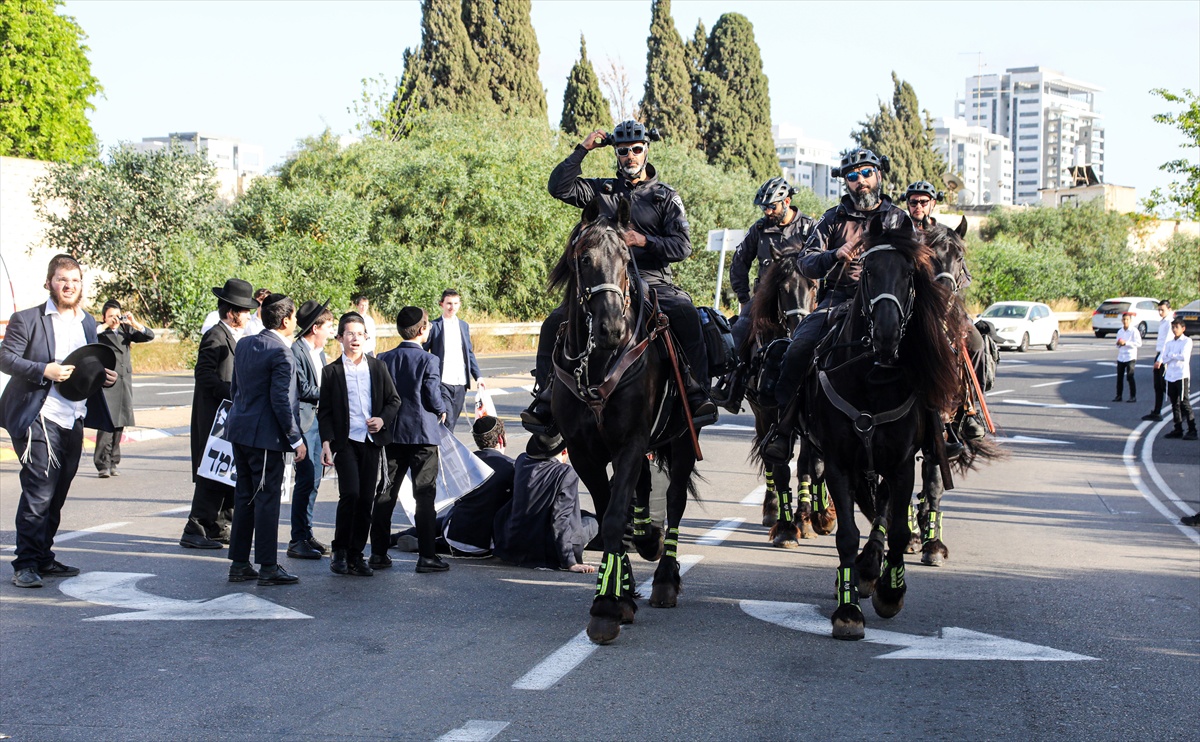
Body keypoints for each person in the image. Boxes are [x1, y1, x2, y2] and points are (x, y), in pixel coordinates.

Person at [522, 119, 718, 438]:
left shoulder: (665, 196)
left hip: (652, 278)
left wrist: (644, 241)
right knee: (553, 323)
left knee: (685, 312)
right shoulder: (600, 191)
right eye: (623, 150)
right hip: (604, 279)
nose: (630, 156)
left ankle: (696, 393)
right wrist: (582, 149)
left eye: (636, 150)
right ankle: (546, 398)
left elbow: (683, 246)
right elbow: (558, 187)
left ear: (646, 151)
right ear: (616, 153)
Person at [760, 148, 912, 464]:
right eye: (852, 176)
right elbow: (806, 263)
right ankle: (784, 429)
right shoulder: (832, 218)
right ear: (846, 183)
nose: (861, 181)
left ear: (879, 175)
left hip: (891, 302)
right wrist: (834, 255)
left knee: (932, 346)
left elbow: (918, 261)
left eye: (866, 173)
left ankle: (944, 429)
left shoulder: (898, 217)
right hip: (840, 300)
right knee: (798, 348)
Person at [0, 254, 118, 588]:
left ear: (81, 285)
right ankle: (25, 564)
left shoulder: (87, 322)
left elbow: (86, 367)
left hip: (74, 416)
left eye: (75, 280)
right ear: (50, 282)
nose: (69, 286)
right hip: (40, 415)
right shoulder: (27, 319)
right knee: (39, 491)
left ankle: (43, 557)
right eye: (62, 280)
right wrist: (43, 370)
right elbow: (5, 358)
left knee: (58, 493)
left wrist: (103, 377)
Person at [224, 293, 306, 586]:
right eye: (294, 317)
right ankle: (269, 566)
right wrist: (295, 439)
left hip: (240, 430)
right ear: (285, 321)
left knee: (245, 496)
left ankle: (239, 563)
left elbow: (236, 389)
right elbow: (282, 400)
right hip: (266, 436)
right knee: (267, 499)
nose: (295, 322)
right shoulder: (281, 353)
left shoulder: (245, 343)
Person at [715, 177, 814, 411]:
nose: (768, 211)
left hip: (803, 295)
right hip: (765, 298)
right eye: (764, 207)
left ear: (787, 201)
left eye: (772, 206)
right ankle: (731, 386)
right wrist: (744, 298)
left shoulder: (809, 227)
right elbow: (739, 263)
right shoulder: (759, 229)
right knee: (739, 331)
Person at [318, 312, 401, 577]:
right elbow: (326, 412)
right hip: (345, 442)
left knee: (366, 499)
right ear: (340, 337)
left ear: (367, 337)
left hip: (371, 442)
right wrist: (326, 443)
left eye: (360, 333)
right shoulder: (331, 372)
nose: (355, 338)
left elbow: (394, 400)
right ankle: (340, 550)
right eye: (349, 333)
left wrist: (382, 419)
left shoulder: (377, 367)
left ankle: (356, 554)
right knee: (350, 495)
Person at [180, 278, 258, 550]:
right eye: (245, 310)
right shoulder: (215, 335)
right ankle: (196, 526)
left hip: (230, 415)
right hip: (214, 414)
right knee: (212, 470)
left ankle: (217, 525)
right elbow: (203, 374)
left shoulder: (238, 336)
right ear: (231, 312)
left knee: (228, 470)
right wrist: (233, 392)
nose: (249, 315)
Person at [375, 307, 450, 573]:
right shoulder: (429, 360)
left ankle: (378, 553)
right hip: (422, 435)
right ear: (422, 330)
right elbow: (431, 394)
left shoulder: (384, 358)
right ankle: (427, 557)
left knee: (386, 494)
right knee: (425, 496)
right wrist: (442, 408)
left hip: (393, 433)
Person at [392, 415, 517, 556]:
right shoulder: (511, 467)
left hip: (454, 530)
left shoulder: (465, 460)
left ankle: (396, 538)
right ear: (501, 439)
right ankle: (436, 545)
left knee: (450, 514)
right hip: (485, 542)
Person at [492, 437, 597, 573]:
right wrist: (569, 562)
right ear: (564, 452)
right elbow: (559, 519)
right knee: (593, 522)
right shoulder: (565, 472)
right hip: (546, 550)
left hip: (514, 542)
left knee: (582, 514)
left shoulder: (522, 461)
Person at [287, 299, 333, 560]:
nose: (330, 331)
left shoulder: (319, 353)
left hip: (318, 424)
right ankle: (297, 539)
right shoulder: (296, 351)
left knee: (315, 481)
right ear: (315, 328)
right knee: (305, 482)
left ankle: (306, 532)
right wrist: (334, 392)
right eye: (327, 326)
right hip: (304, 424)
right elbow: (303, 388)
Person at [93, 300, 155, 478]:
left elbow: (149, 336)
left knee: (120, 423)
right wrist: (106, 324)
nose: (114, 319)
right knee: (106, 424)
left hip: (123, 381)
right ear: (104, 316)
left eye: (117, 315)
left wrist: (133, 323)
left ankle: (114, 461)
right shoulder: (100, 331)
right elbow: (90, 333)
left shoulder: (126, 330)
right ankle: (102, 464)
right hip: (107, 381)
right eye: (110, 315)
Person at [424, 289, 482, 430]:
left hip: (460, 382)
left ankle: (443, 448)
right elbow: (424, 351)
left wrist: (478, 376)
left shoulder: (464, 326)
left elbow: (469, 352)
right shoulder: (434, 326)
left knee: (452, 421)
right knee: (447, 420)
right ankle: (446, 451)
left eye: (455, 303)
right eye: (449, 303)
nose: (452, 307)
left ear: (460, 304)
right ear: (441, 304)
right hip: (443, 381)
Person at [1161, 317, 1196, 441]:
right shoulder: (1169, 343)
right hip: (1170, 375)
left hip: (1181, 375)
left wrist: (1171, 356)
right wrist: (1172, 356)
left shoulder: (1187, 341)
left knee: (1184, 402)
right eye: (1173, 327)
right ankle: (1178, 428)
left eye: (1177, 327)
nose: (1174, 330)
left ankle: (1192, 429)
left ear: (1183, 328)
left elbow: (1184, 357)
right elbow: (1164, 359)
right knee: (1174, 403)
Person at [1143, 300, 1174, 422]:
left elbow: (1167, 342)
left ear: (1169, 309)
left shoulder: (1170, 322)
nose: (1160, 312)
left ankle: (1180, 408)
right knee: (1158, 386)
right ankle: (1157, 411)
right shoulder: (1163, 322)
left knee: (1165, 385)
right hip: (1160, 354)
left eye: (1163, 310)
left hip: (1164, 356)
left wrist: (1160, 360)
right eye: (1159, 310)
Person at [1113, 311, 1141, 403]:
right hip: (1121, 356)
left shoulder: (1134, 331)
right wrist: (1119, 343)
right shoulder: (1120, 331)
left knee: (1130, 376)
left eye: (1127, 319)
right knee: (1119, 377)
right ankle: (1118, 395)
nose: (1125, 321)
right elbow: (1117, 344)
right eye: (1124, 319)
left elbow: (1138, 343)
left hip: (1130, 356)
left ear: (1130, 320)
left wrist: (1126, 343)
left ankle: (1133, 396)